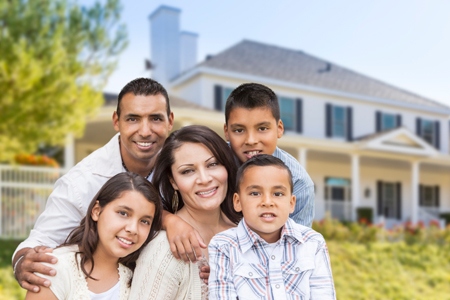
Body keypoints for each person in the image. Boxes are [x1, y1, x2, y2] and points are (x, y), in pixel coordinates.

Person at [13, 78, 205, 293]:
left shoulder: (181, 164)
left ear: (170, 121)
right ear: (117, 121)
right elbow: (42, 239)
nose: (145, 130)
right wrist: (23, 262)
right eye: (133, 119)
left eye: (155, 119)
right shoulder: (81, 182)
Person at [129, 125, 242, 299]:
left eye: (212, 164)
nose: (205, 179)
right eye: (188, 171)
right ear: (173, 181)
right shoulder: (164, 249)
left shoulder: (247, 233)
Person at [209, 155, 336, 299]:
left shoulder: (312, 242)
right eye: (255, 193)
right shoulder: (224, 246)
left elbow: (324, 294)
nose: (267, 202)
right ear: (237, 202)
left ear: (291, 203)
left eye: (278, 193)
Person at [25, 172, 163, 300]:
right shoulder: (55, 269)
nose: (133, 229)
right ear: (96, 211)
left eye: (144, 221)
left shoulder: (137, 278)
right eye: (123, 213)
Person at [223, 82, 315, 227]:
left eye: (262, 128)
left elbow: (298, 245)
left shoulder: (299, 184)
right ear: (227, 132)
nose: (251, 141)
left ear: (279, 129)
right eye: (239, 130)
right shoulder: (212, 164)